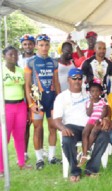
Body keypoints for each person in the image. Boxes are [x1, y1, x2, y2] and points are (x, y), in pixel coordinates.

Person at [53, 68, 111, 182]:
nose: (77, 80)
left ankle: (91, 168)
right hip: (72, 127)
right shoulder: (62, 97)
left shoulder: (90, 92)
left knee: (104, 136)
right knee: (67, 140)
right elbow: (57, 119)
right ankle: (75, 170)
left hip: (92, 126)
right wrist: (63, 128)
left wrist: (107, 118)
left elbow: (106, 106)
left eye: (80, 78)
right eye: (74, 78)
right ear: (68, 80)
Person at [24, 34, 62, 170]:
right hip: (37, 101)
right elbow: (27, 85)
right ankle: (39, 158)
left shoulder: (54, 62)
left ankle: (52, 157)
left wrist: (59, 99)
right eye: (41, 45)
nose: (44, 48)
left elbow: (56, 82)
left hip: (51, 99)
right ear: (36, 46)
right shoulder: (30, 62)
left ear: (49, 46)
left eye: (46, 45)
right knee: (38, 129)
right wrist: (31, 104)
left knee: (53, 127)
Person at [1, 46, 33, 177]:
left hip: (20, 106)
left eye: (15, 54)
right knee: (4, 138)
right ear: (4, 56)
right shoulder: (1, 70)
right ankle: (1, 168)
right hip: (6, 107)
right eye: (10, 54)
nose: (13, 57)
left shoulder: (21, 70)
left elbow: (26, 89)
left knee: (20, 136)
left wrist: (29, 107)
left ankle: (21, 163)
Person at [78, 80, 108, 167]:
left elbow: (105, 111)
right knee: (85, 132)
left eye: (97, 91)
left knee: (93, 132)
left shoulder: (103, 101)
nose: (94, 93)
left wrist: (100, 119)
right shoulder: (88, 102)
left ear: (100, 92)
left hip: (99, 120)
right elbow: (89, 113)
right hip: (91, 120)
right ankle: (84, 154)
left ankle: (86, 151)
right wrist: (91, 102)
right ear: (89, 92)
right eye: (92, 91)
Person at [18, 34, 36, 161]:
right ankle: (24, 152)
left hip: (36, 94)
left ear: (34, 45)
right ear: (22, 46)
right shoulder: (17, 59)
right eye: (25, 44)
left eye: (30, 43)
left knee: (38, 124)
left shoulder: (38, 58)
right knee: (25, 125)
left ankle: (39, 150)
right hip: (21, 95)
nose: (27, 46)